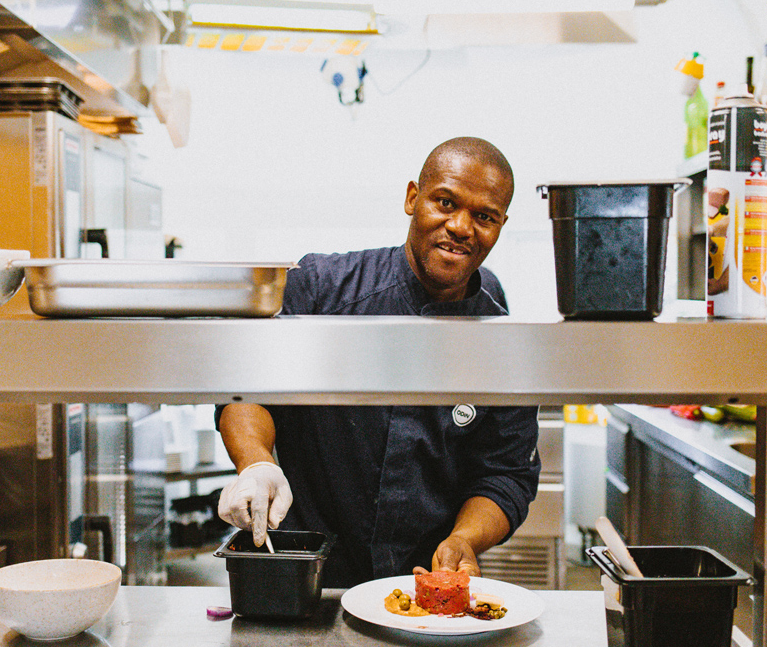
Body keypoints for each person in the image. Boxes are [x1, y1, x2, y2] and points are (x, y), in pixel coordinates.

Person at [216, 136, 541, 588]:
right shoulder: (324, 288)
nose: (461, 226)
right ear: (413, 198)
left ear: (501, 224)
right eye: (445, 202)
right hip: (304, 577)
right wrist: (256, 465)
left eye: (484, 216)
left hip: (417, 589)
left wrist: (465, 539)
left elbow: (505, 475)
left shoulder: (501, 339)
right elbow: (244, 390)